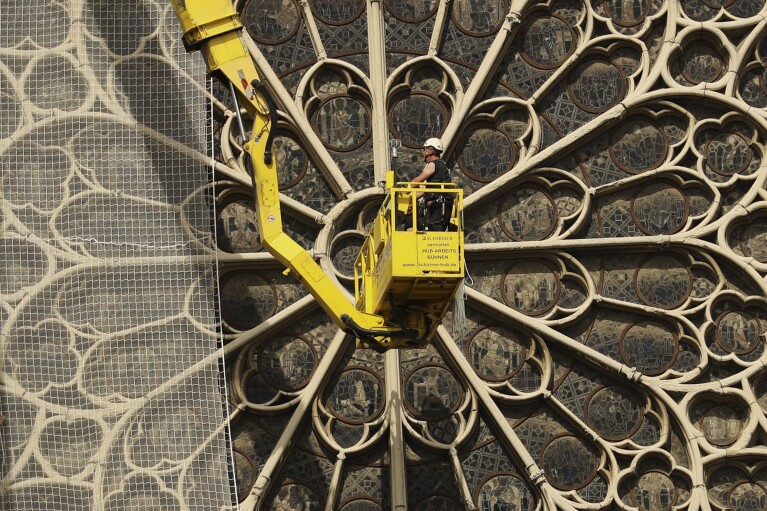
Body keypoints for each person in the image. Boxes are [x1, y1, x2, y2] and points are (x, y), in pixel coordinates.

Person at [410, 137, 453, 231]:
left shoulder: (433, 164)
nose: (423, 153)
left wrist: (404, 190)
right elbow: (427, 188)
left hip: (439, 205)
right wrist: (411, 197)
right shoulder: (443, 166)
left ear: (430, 151)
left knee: (434, 235)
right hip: (443, 204)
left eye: (425, 150)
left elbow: (417, 181)